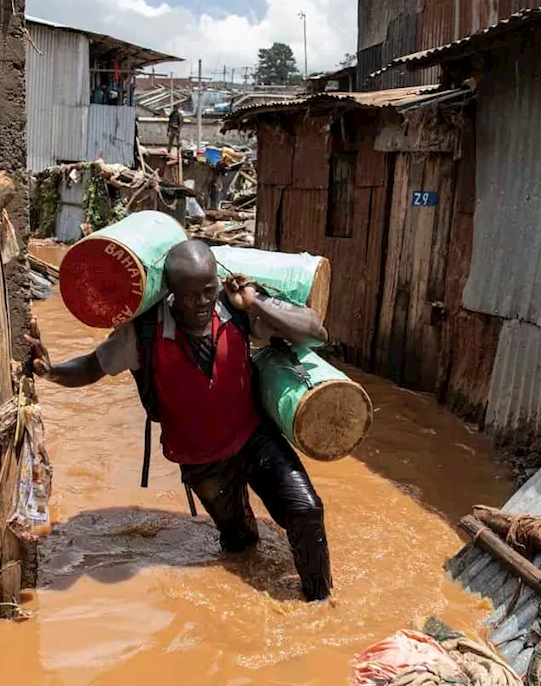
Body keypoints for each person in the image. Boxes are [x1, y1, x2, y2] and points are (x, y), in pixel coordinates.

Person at [24, 239, 333, 602]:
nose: (203, 303)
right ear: (171, 293)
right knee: (240, 542)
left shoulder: (238, 313)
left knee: (307, 512)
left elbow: (315, 332)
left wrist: (256, 302)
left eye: (208, 291)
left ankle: (320, 604)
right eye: (191, 295)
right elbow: (93, 366)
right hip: (203, 462)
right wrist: (52, 372)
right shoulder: (143, 334)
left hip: (254, 438)